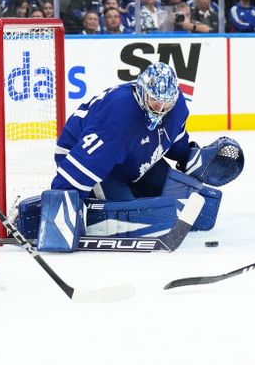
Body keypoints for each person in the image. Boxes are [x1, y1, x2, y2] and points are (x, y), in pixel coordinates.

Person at [36, 62, 242, 251]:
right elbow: (82, 164)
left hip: (133, 158)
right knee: (133, 214)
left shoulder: (177, 107)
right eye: (155, 101)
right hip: (89, 161)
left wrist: (190, 157)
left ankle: (127, 198)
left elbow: (171, 140)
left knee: (179, 195)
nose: (160, 109)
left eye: (166, 103)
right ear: (142, 91)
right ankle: (92, 207)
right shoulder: (118, 116)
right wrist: (61, 207)